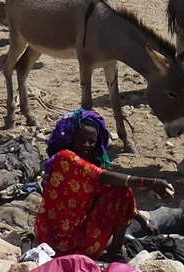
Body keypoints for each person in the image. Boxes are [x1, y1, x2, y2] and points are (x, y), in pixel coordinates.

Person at [34, 110, 175, 260]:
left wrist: (144, 222)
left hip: (68, 235)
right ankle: (115, 253)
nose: (87, 145)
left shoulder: (87, 163)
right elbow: (103, 177)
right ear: (72, 137)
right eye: (82, 140)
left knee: (117, 191)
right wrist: (150, 183)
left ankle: (114, 251)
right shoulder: (65, 158)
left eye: (91, 141)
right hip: (57, 241)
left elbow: (104, 188)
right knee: (123, 192)